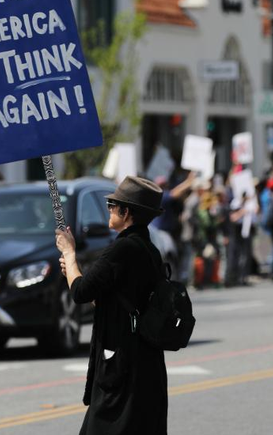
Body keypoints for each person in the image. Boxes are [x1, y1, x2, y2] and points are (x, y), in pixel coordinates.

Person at [56, 176, 168, 435]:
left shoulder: (122, 249)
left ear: (126, 212)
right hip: (146, 361)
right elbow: (107, 297)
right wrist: (72, 271)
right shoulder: (149, 249)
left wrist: (70, 255)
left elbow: (81, 292)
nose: (109, 210)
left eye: (112, 206)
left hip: (122, 365)